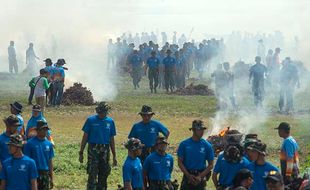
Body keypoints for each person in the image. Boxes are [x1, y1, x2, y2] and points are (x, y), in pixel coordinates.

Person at [79, 102, 117, 190]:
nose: (101, 114)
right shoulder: (90, 120)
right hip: (93, 149)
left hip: (105, 150)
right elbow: (85, 137)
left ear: (106, 112)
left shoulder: (110, 122)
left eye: (103, 112)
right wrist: (81, 152)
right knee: (92, 173)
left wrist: (114, 155)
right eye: (100, 112)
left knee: (104, 173)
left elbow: (112, 139)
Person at [177, 120, 214, 190]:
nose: (202, 131)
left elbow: (211, 165)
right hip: (188, 175)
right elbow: (180, 162)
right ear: (193, 130)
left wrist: (200, 176)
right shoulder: (184, 144)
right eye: (200, 129)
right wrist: (188, 176)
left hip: (200, 176)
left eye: (203, 129)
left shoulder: (207, 145)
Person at [24, 120, 55, 190]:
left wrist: (52, 178)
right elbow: (26, 161)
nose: (45, 131)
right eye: (43, 129)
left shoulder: (49, 144)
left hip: (45, 174)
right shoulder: (29, 144)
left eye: (46, 129)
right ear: (37, 130)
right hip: (34, 173)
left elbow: (50, 162)